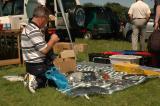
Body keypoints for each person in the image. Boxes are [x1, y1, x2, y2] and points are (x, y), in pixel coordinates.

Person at [21, 6, 60, 93]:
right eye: (46, 20)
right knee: (56, 79)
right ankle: (33, 81)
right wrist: (52, 40)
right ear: (42, 18)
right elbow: (44, 50)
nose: (46, 23)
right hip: (37, 65)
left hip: (31, 65)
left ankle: (31, 77)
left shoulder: (29, 27)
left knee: (50, 78)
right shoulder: (34, 30)